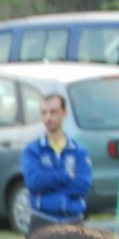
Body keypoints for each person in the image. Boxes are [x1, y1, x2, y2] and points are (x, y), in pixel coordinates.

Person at [22, 93, 93, 229]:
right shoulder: (32, 150)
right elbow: (34, 183)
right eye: (44, 113)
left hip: (74, 219)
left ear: (64, 113)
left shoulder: (79, 151)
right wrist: (65, 175)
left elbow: (83, 184)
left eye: (53, 112)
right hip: (43, 219)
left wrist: (50, 185)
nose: (48, 117)